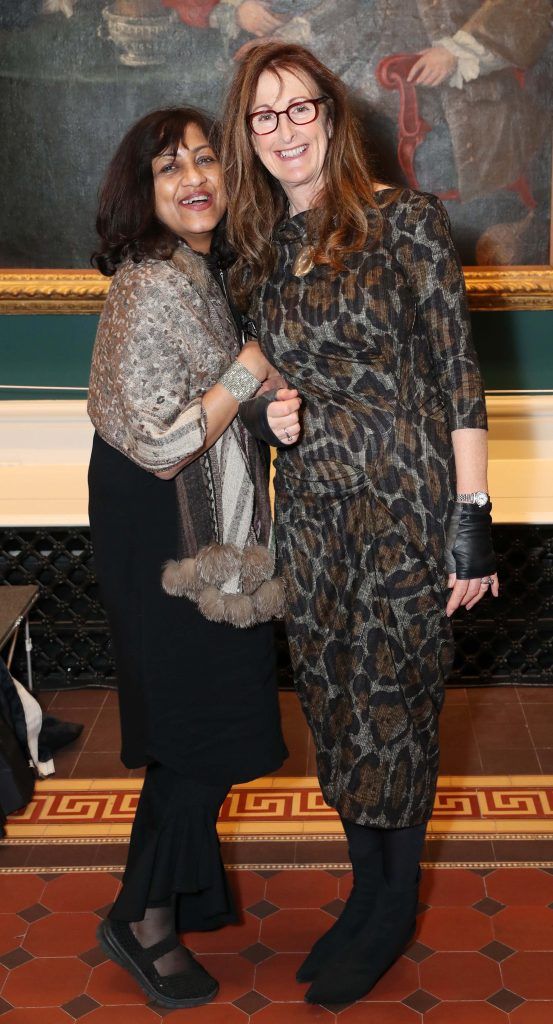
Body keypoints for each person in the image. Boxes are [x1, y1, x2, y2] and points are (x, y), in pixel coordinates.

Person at [221, 42, 499, 1005]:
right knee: (338, 708)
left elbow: (459, 378)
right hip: (309, 517)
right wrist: (268, 412)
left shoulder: (406, 223)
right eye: (264, 116)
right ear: (247, 137)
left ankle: (391, 904)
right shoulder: (259, 254)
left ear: (332, 120)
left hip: (404, 505)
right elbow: (254, 374)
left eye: (300, 109)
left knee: (398, 708)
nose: (285, 129)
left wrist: (471, 519)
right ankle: (362, 890)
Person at [87, 105, 301, 1010]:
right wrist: (253, 371)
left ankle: (176, 895)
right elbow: (158, 435)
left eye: (206, 159)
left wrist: (261, 404)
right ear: (143, 193)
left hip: (202, 533)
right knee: (197, 734)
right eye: (169, 167)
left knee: (204, 724)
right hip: (163, 537)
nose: (195, 178)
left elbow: (212, 402)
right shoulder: (148, 283)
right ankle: (142, 922)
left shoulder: (200, 273)